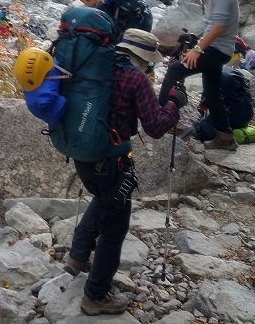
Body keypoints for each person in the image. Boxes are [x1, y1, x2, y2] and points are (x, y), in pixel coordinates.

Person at [65, 29, 183, 316]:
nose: (150, 67)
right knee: (114, 229)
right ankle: (95, 295)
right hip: (112, 160)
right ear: (142, 57)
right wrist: (174, 104)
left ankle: (78, 256)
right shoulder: (135, 77)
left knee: (103, 198)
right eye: (150, 62)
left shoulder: (91, 66)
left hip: (82, 153)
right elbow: (155, 127)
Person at [158, 0, 240, 151]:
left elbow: (219, 27)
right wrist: (198, 46)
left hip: (218, 49)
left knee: (174, 69)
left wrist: (198, 50)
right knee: (212, 91)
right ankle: (225, 136)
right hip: (221, 49)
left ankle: (158, 117)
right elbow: (214, 25)